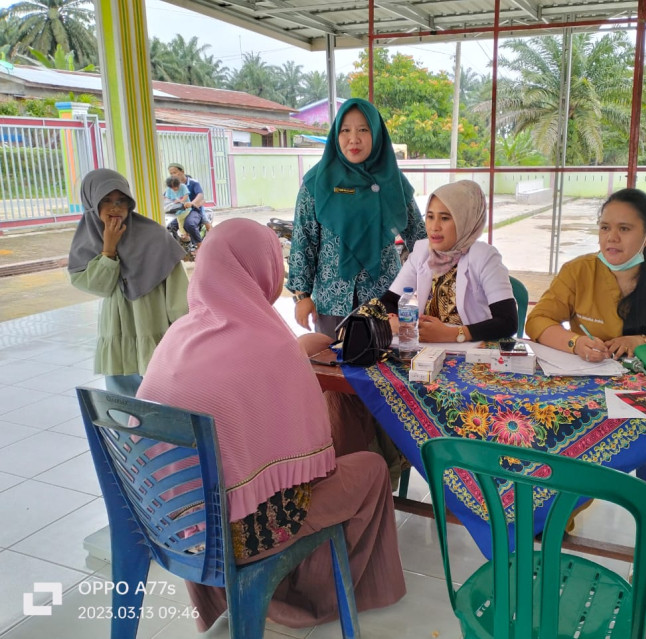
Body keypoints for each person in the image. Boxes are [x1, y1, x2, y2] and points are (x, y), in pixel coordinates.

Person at [137, 218, 405, 630]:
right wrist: (297, 356)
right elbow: (318, 463)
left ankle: (242, 599)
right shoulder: (271, 345)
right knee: (367, 469)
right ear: (259, 272)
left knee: (246, 476)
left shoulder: (178, 336)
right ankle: (311, 601)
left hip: (168, 524)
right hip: (235, 539)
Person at [287, 97, 426, 338]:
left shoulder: (393, 181)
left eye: (363, 130)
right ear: (336, 135)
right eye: (345, 130)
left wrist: (430, 285)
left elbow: (420, 239)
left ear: (376, 133)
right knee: (334, 366)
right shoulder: (316, 182)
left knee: (383, 367)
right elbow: (303, 241)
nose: (354, 139)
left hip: (385, 299)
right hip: (332, 299)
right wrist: (302, 296)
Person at [525, 187, 646, 359]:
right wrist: (575, 343)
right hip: (586, 373)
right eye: (605, 228)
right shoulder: (578, 271)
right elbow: (537, 321)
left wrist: (642, 342)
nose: (612, 237)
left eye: (624, 229)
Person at [67, 168, 189, 397]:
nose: (115, 207)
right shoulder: (89, 238)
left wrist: (183, 337)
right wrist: (108, 249)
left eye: (121, 200)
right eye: (106, 200)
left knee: (161, 395)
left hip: (154, 327)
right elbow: (97, 286)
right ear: (91, 203)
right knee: (123, 403)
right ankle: (128, 433)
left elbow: (178, 295)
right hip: (117, 331)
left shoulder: (155, 236)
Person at [380, 179, 518, 342]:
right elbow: (388, 301)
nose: (434, 227)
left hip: (474, 351)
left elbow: (507, 322)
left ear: (464, 220)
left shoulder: (485, 256)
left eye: (445, 218)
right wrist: (396, 321)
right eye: (430, 217)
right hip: (429, 351)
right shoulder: (423, 250)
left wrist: (452, 334)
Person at [167, 162, 209, 248]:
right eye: (171, 174)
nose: (173, 175)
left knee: (189, 224)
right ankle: (178, 248)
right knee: (169, 226)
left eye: (174, 172)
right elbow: (166, 196)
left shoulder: (194, 183)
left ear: (182, 171)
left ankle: (200, 247)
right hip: (179, 211)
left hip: (193, 211)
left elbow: (200, 195)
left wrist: (192, 203)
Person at [163, 175, 190, 239]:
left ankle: (185, 234)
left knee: (180, 220)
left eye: (176, 187)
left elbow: (186, 195)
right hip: (175, 209)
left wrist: (181, 201)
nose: (174, 189)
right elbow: (167, 198)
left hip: (185, 207)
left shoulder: (183, 187)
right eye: (172, 187)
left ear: (179, 184)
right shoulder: (169, 189)